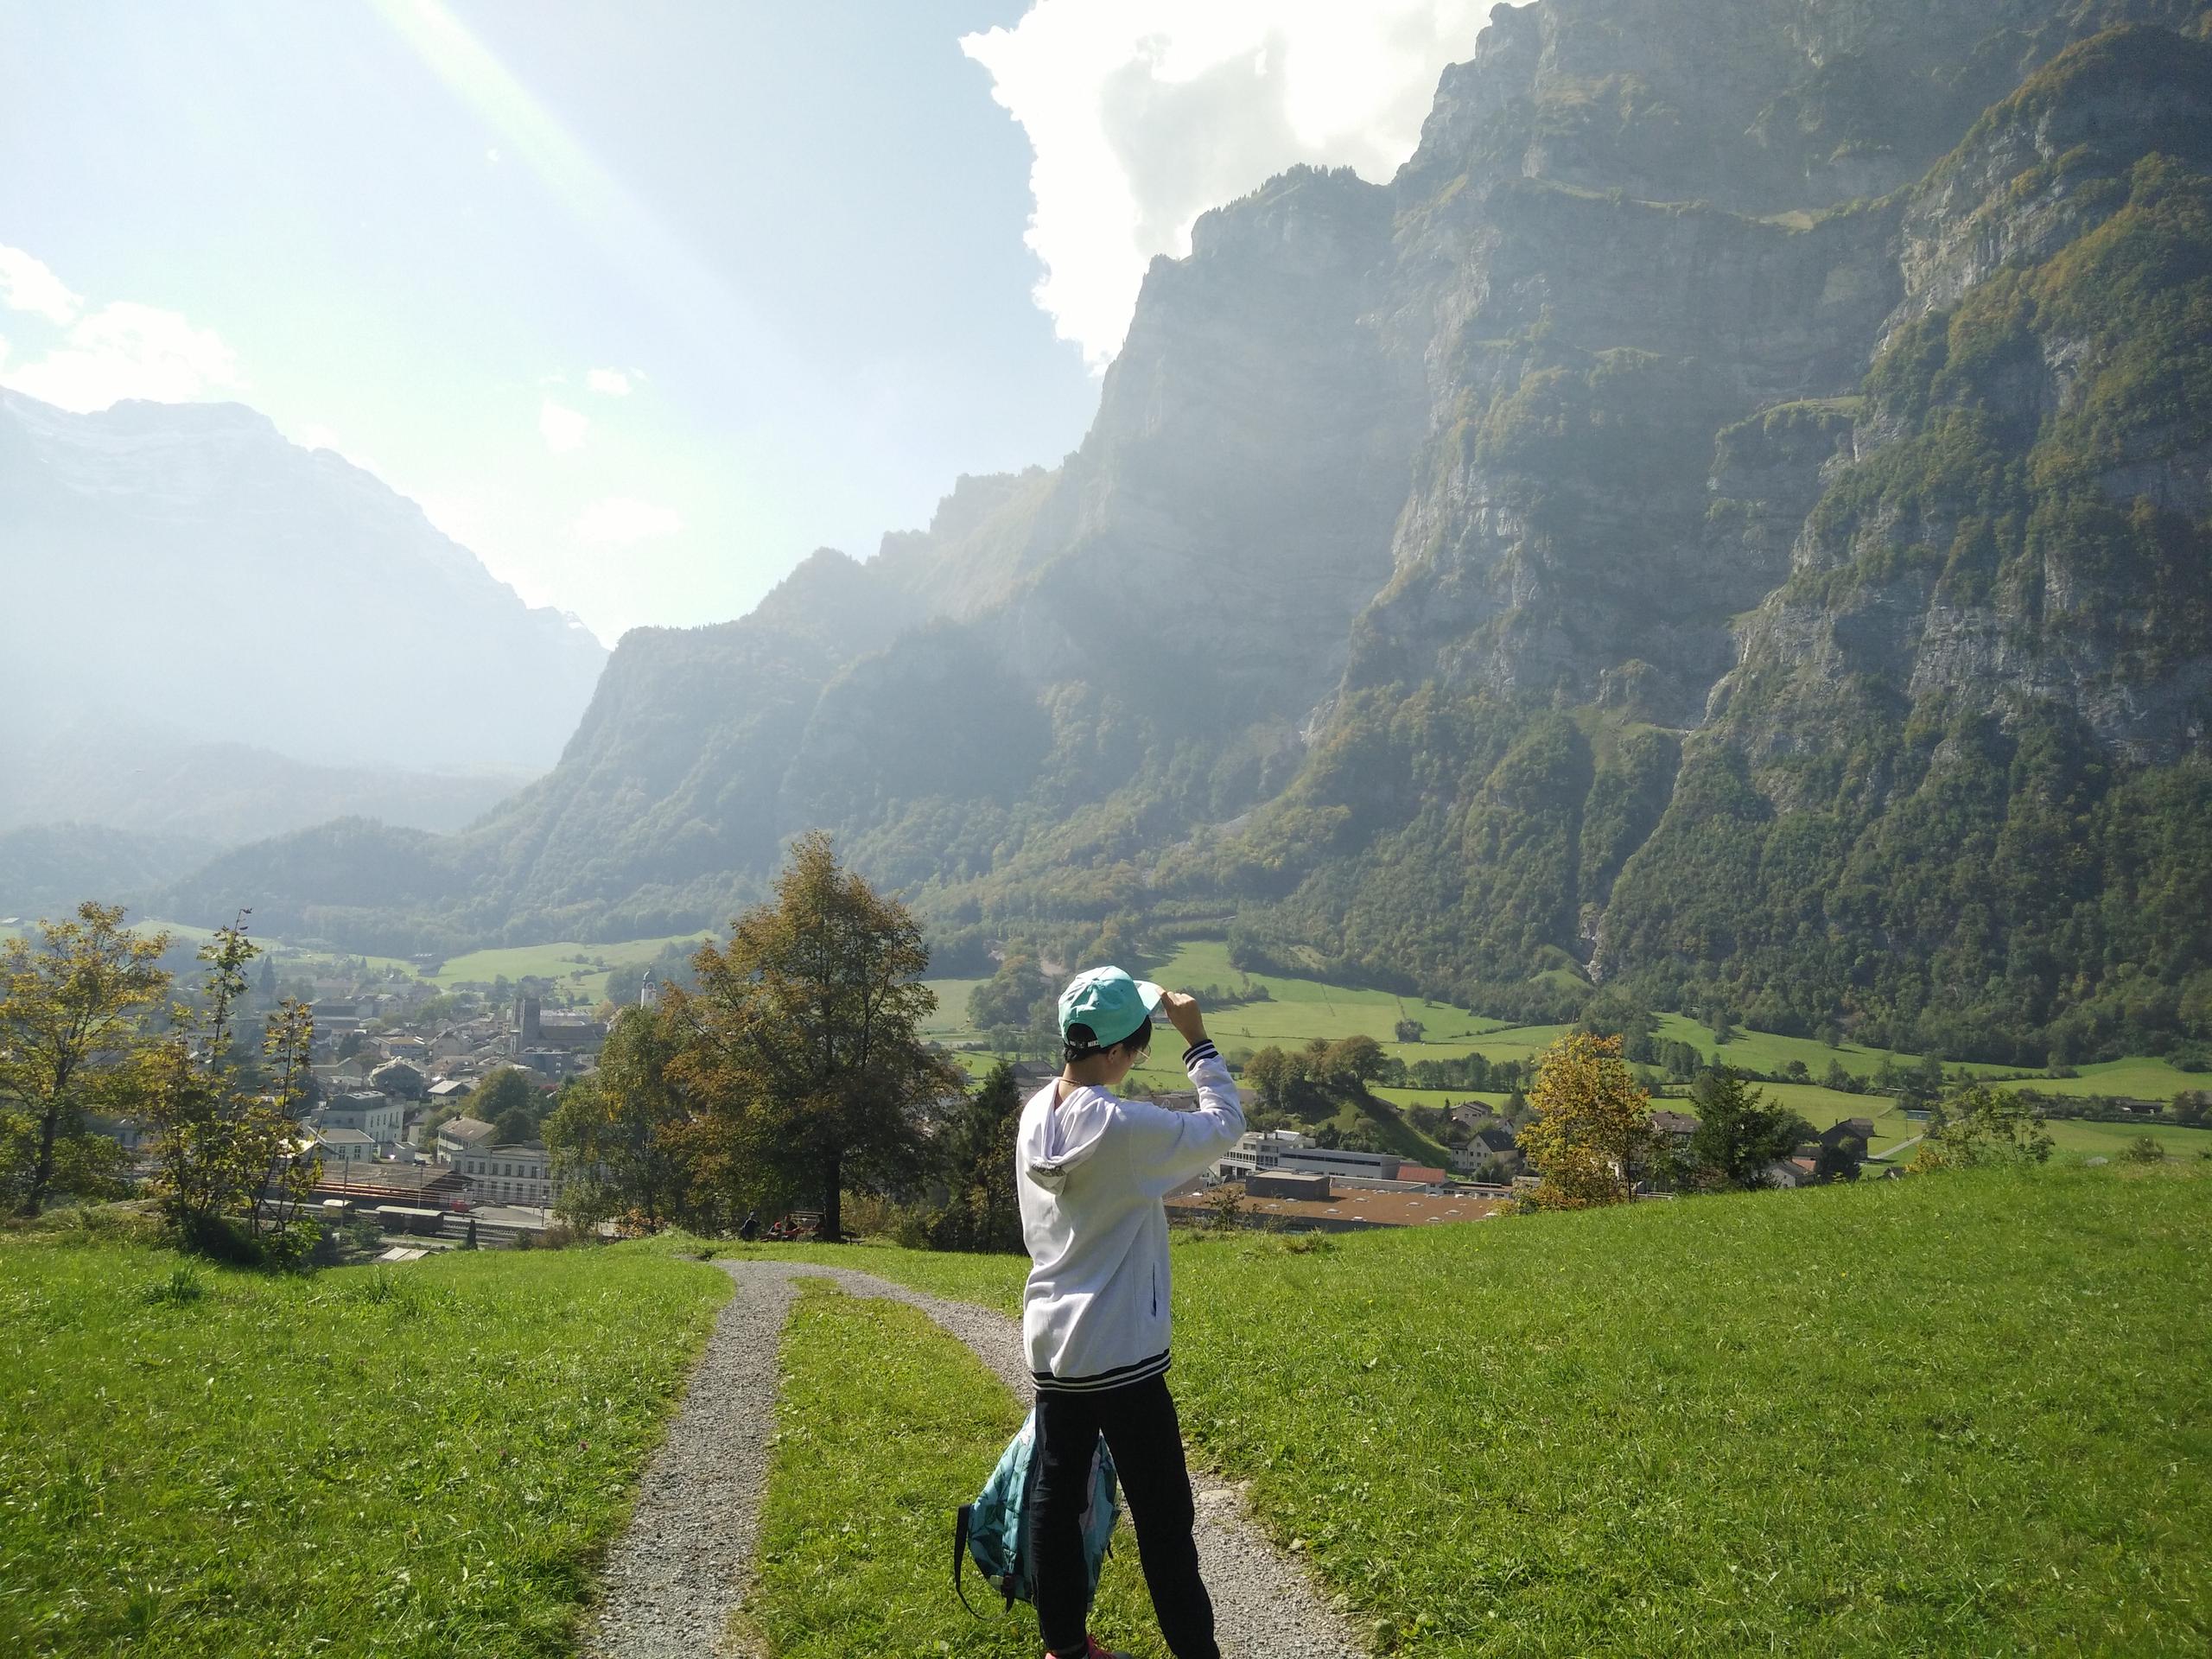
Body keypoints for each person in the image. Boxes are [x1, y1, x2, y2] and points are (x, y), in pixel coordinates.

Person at [1015, 966, 1244, 1659]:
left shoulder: (1033, 1116)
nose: (1141, 1055)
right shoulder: (1119, 1127)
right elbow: (1224, 1125)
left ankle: (1065, 1648)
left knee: (1056, 1504)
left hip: (1056, 1346)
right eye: (1139, 1045)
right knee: (1166, 1521)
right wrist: (1198, 1042)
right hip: (1124, 1357)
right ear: (1116, 1053)